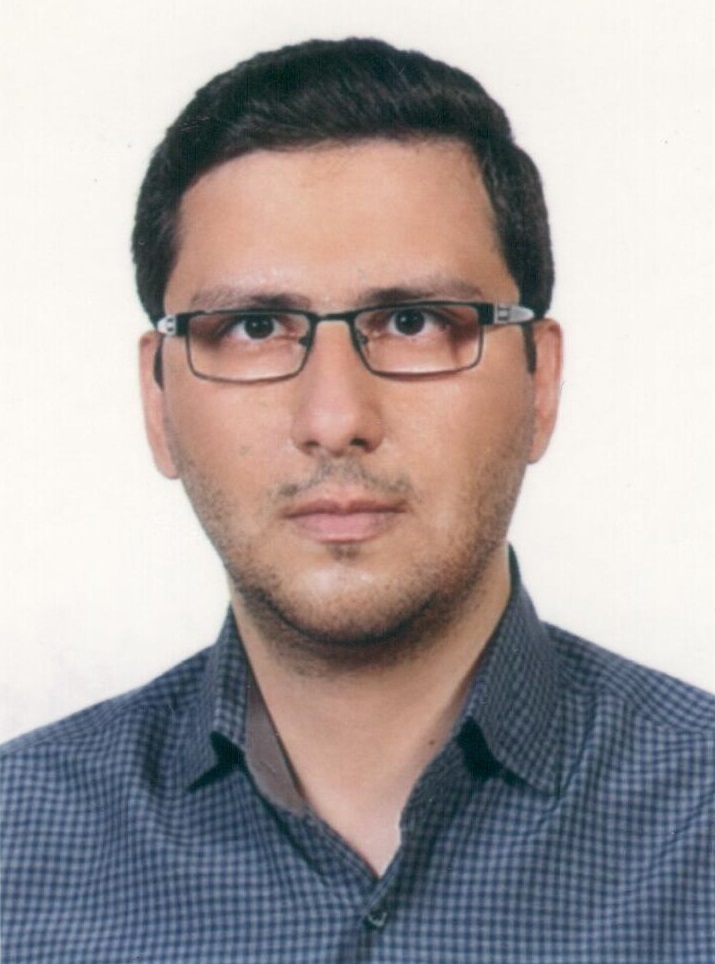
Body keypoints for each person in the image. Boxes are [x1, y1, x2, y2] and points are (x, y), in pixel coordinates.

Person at [1, 36, 713, 964]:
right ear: (158, 399)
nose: (334, 420)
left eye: (413, 321)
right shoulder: (16, 849)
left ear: (539, 384)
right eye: (254, 326)